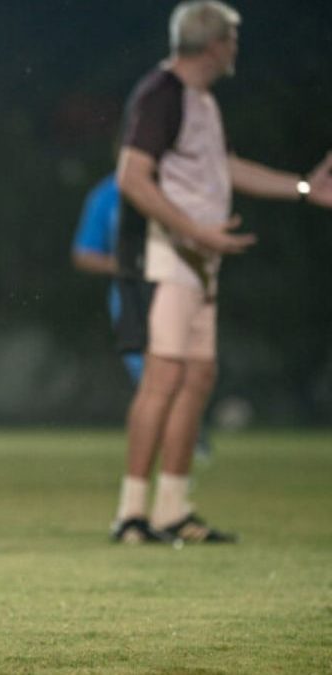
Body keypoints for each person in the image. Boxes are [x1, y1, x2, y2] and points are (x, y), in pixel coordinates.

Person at [110, 0, 332, 544]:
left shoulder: (201, 101)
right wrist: (195, 230)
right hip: (163, 255)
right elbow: (132, 177)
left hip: (198, 259)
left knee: (197, 377)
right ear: (213, 45)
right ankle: (132, 515)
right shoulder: (160, 92)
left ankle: (173, 510)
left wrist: (304, 188)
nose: (235, 49)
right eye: (231, 39)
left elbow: (223, 168)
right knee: (163, 378)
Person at [71, 173, 213, 458]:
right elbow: (84, 253)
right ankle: (158, 453)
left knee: (186, 369)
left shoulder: (177, 186)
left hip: (176, 288)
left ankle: (188, 438)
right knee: (149, 375)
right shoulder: (107, 195)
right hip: (132, 293)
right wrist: (127, 265)